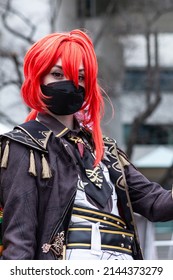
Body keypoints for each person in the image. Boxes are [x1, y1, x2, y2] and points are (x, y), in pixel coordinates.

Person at [0, 29, 173, 260]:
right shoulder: (24, 145)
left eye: (80, 77)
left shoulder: (107, 150)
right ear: (38, 78)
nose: (71, 85)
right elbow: (20, 238)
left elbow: (155, 203)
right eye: (57, 74)